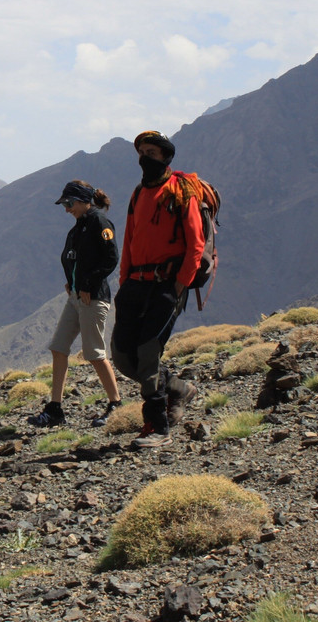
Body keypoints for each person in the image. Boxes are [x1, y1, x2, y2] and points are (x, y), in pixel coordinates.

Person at [111, 131, 203, 448]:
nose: (145, 157)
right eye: (141, 152)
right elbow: (129, 240)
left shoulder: (181, 190)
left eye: (151, 152)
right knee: (123, 356)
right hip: (135, 285)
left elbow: (195, 243)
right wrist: (124, 282)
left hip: (167, 285)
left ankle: (158, 428)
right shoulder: (139, 193)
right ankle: (178, 387)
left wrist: (179, 285)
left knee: (148, 351)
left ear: (165, 156)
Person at [28, 180, 123, 429]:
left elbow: (111, 257)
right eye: (64, 205)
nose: (67, 209)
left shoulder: (100, 222)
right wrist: (71, 283)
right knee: (59, 347)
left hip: (93, 298)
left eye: (69, 204)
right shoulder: (78, 227)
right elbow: (75, 260)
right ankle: (55, 408)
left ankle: (116, 404)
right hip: (76, 298)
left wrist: (88, 284)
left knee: (94, 354)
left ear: (83, 200)